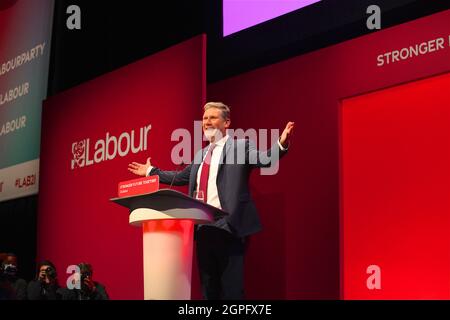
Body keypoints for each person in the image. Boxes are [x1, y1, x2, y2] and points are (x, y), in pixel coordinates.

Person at [128, 102, 294, 299]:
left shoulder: (240, 147)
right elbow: (180, 176)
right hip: (203, 227)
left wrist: (281, 144)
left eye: (213, 117)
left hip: (229, 226)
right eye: (205, 118)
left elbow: (266, 159)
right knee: (209, 291)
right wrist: (151, 171)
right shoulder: (201, 154)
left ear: (227, 122)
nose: (207, 122)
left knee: (232, 292)